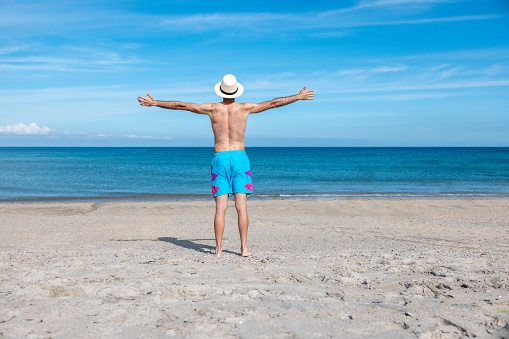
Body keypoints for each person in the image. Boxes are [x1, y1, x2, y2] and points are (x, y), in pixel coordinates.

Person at [138, 74, 315, 257]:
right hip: (240, 159)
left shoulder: (212, 109)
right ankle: (244, 249)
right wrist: (297, 96)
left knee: (220, 209)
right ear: (236, 91)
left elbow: (183, 105)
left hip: (220, 158)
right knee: (242, 208)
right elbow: (273, 104)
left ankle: (218, 250)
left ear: (221, 90)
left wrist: (156, 102)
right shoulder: (245, 108)